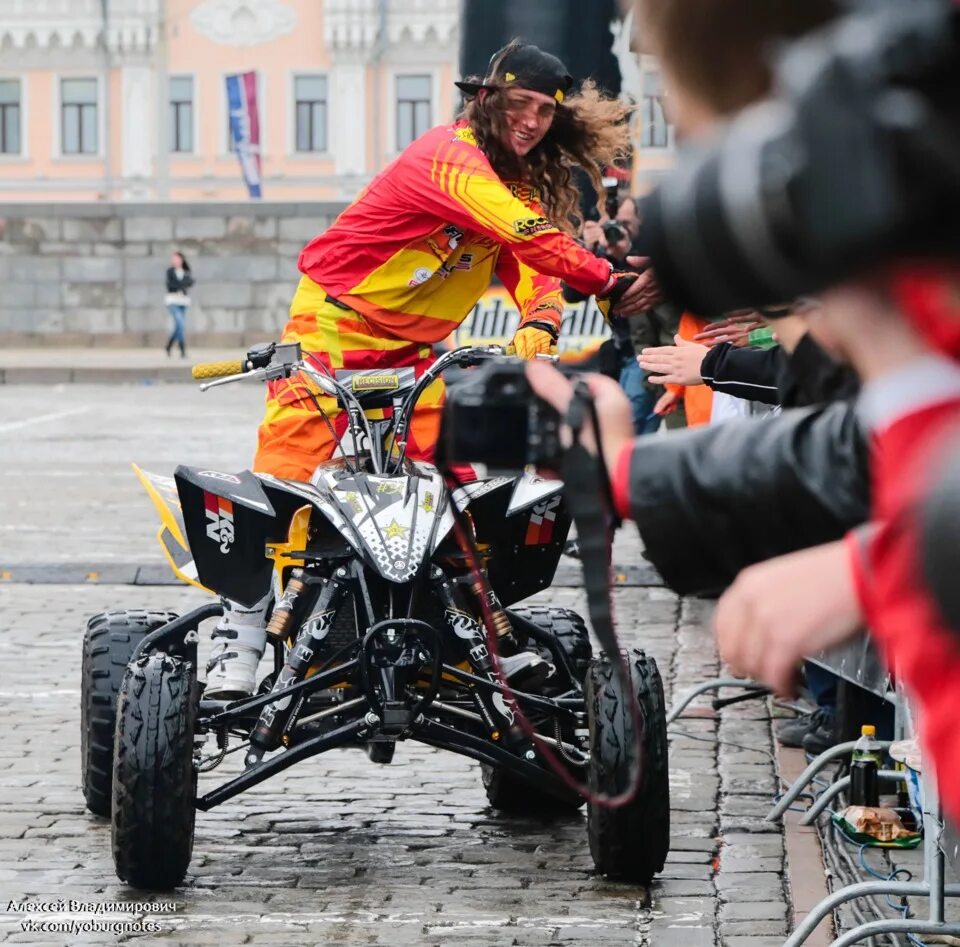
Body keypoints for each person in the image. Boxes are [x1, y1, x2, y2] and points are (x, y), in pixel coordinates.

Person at [204, 41, 658, 698]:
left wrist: (540, 322)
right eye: (520, 104)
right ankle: (240, 640)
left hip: (417, 352)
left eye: (544, 112)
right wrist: (606, 281)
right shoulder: (447, 158)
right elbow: (527, 235)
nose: (531, 121)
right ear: (485, 98)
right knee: (285, 479)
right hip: (333, 329)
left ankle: (482, 632)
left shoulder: (519, 182)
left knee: (457, 479)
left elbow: (530, 263)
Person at [164, 251, 193, 358]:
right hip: (173, 301)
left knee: (178, 327)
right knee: (180, 324)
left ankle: (169, 345)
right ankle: (182, 348)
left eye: (177, 259)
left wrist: (181, 284)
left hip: (183, 301)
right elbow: (171, 285)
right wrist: (182, 284)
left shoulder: (185, 271)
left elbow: (190, 282)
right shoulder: (170, 271)